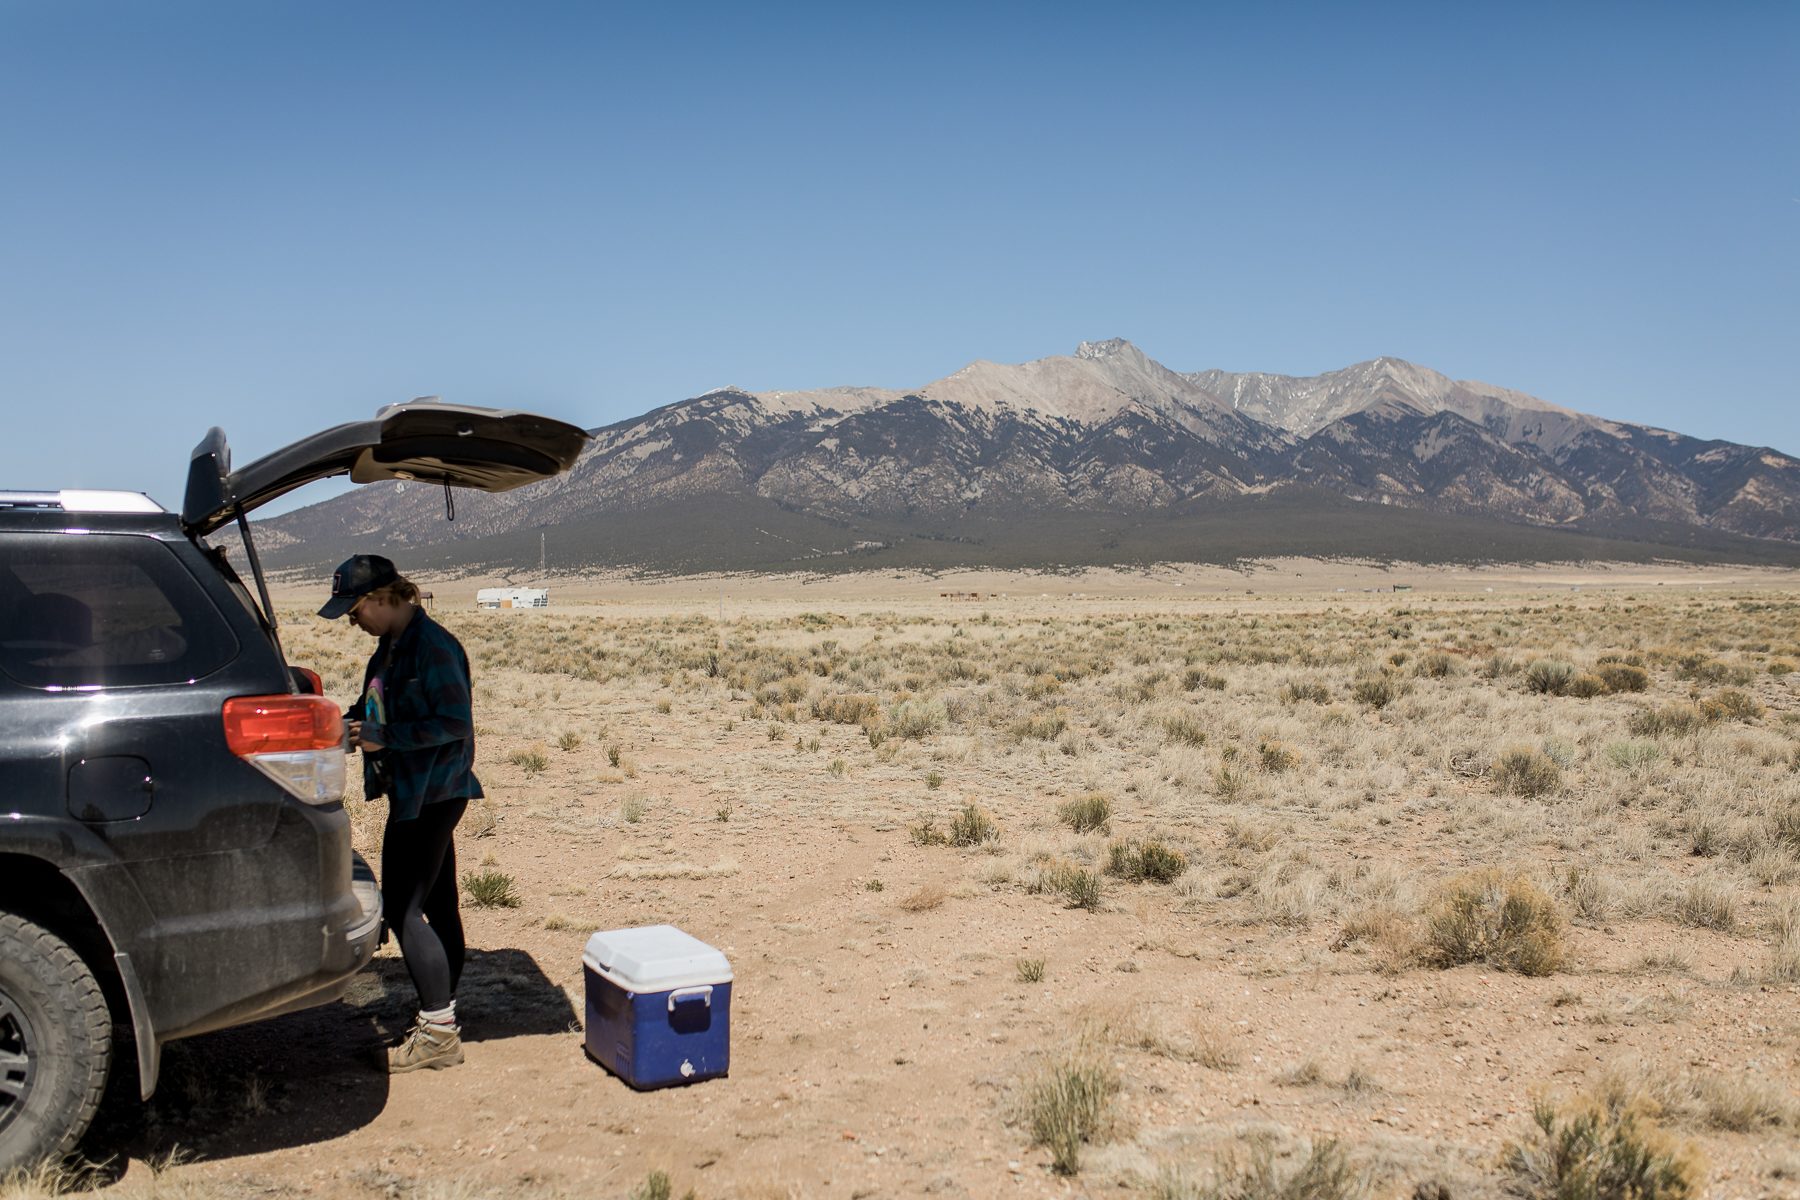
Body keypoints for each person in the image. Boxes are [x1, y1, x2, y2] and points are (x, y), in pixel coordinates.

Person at [319, 554, 482, 1073]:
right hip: (414, 792)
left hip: (432, 794)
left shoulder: (433, 648)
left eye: (356, 608)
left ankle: (437, 1033)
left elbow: (455, 723)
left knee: (403, 911)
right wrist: (345, 724)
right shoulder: (388, 650)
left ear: (386, 598)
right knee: (438, 905)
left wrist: (385, 737)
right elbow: (375, 710)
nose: (352, 620)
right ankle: (442, 1012)